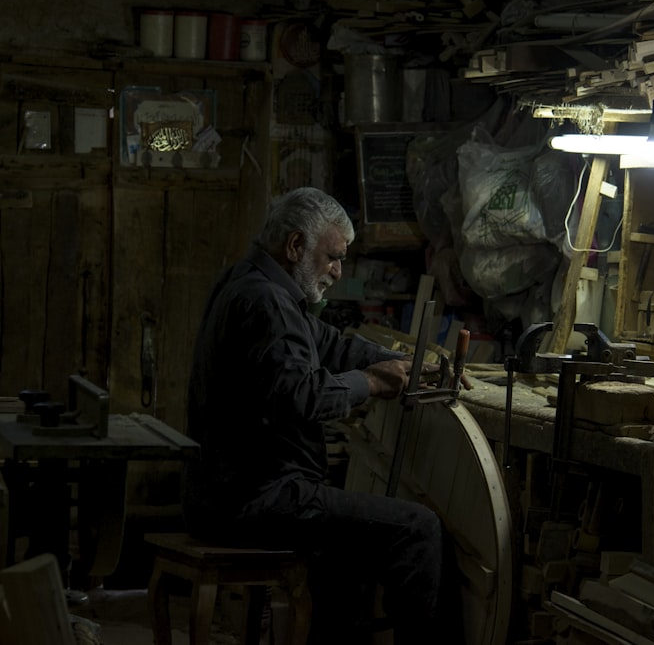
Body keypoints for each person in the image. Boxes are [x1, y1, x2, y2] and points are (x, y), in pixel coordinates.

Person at [182, 186, 462, 644]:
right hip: (251, 499)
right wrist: (372, 382)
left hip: (229, 493)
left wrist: (405, 366)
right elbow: (303, 396)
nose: (337, 271)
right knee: (418, 528)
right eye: (332, 257)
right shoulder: (265, 301)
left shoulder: (252, 282)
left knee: (349, 545)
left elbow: (330, 343)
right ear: (295, 246)